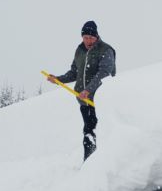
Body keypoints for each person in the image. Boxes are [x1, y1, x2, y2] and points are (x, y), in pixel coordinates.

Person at [48, 20, 117, 161]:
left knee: (102, 132)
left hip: (101, 101)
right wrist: (58, 79)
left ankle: (104, 163)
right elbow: (74, 73)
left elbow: (104, 73)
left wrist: (88, 90)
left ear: (96, 36)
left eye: (91, 38)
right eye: (85, 37)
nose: (88, 41)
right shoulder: (80, 51)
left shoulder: (105, 50)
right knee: (89, 132)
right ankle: (90, 163)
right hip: (84, 101)